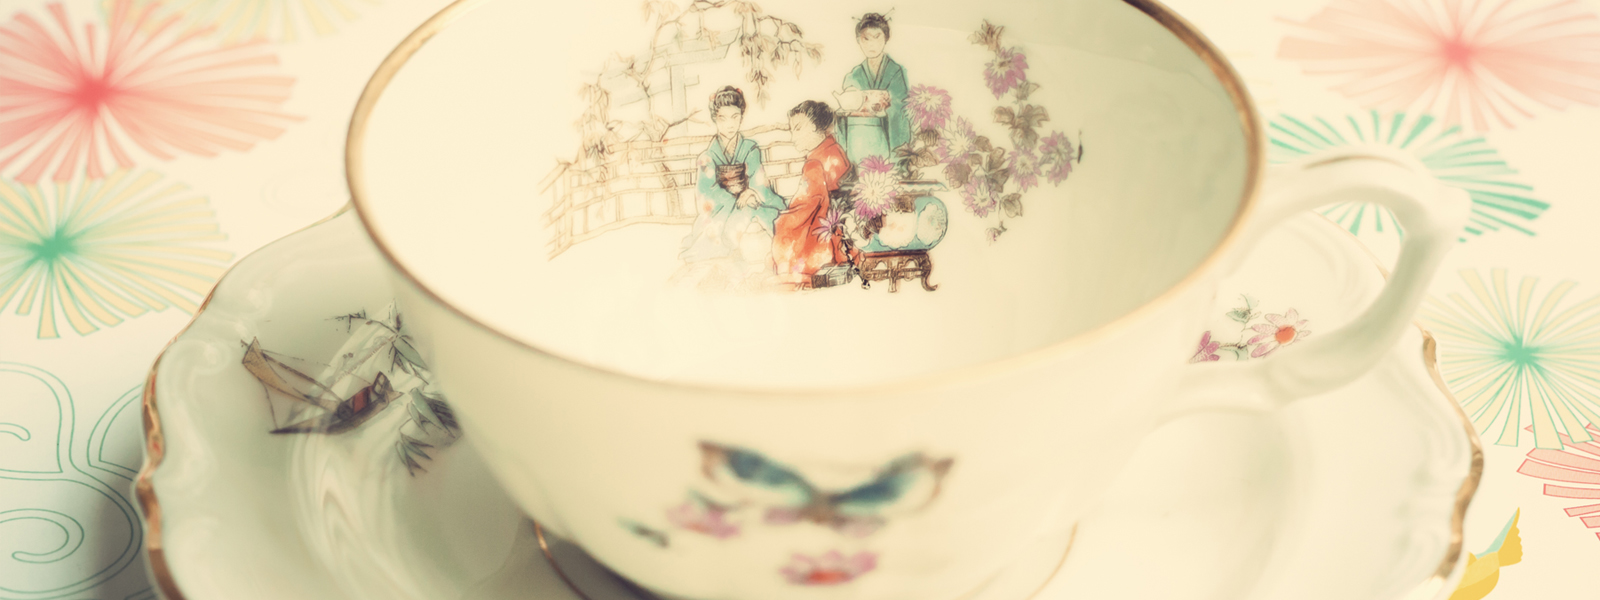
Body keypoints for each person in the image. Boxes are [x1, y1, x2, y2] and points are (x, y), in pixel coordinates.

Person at [677, 86, 787, 273]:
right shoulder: (707, 157)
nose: (730, 124)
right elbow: (707, 194)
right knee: (729, 227)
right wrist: (738, 200)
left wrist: (752, 193)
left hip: (750, 201)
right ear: (715, 119)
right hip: (721, 212)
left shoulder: (750, 149)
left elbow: (758, 182)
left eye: (735, 117)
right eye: (723, 118)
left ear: (741, 117)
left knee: (772, 218)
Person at [772, 101, 852, 288]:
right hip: (841, 229)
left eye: (798, 129)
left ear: (817, 127)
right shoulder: (836, 151)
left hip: (824, 236)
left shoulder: (814, 164)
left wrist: (782, 220)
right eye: (791, 130)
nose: (793, 137)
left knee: (782, 226)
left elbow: (804, 207)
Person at [838, 13, 911, 161]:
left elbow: (901, 110)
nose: (872, 44)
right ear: (858, 40)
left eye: (877, 37)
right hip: (858, 141)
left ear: (886, 38)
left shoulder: (895, 72)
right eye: (866, 39)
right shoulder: (853, 76)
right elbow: (845, 112)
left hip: (887, 141)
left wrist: (884, 107)